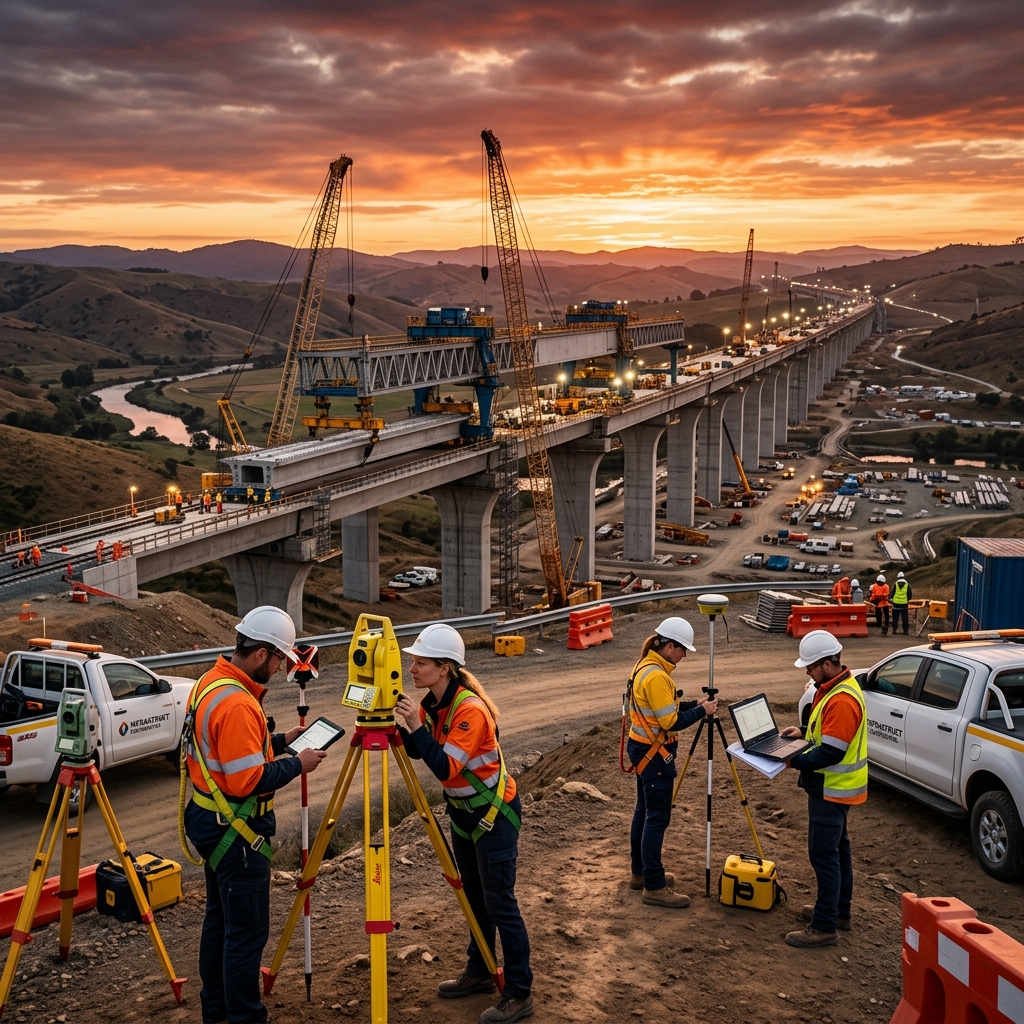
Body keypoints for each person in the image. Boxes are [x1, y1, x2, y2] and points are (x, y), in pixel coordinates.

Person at [183, 606, 328, 1024]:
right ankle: (245, 1017)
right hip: (236, 831)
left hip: (211, 819)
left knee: (220, 921)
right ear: (262, 653)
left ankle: (217, 1011)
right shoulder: (237, 703)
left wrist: (280, 740)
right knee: (245, 934)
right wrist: (298, 764)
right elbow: (248, 780)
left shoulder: (211, 683)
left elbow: (229, 750)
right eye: (280, 659)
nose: (281, 668)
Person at [395, 624, 533, 1024]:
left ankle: (519, 992)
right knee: (474, 897)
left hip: (493, 815)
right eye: (413, 662)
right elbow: (421, 751)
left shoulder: (469, 709)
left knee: (499, 902)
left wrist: (414, 726)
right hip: (462, 814)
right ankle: (481, 970)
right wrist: (398, 727)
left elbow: (445, 767)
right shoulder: (433, 703)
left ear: (445, 668)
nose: (412, 669)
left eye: (420, 663)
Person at [780, 630, 867, 948]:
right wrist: (803, 732)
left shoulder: (841, 698)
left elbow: (831, 751)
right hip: (836, 789)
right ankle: (838, 912)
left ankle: (825, 925)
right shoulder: (834, 688)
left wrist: (793, 760)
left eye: (811, 666)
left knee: (824, 856)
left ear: (828, 664)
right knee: (838, 852)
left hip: (831, 789)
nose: (807, 671)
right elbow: (827, 733)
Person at [625, 617, 717, 909]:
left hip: (643, 749)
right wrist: (703, 711)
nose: (684, 655)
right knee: (657, 818)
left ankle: (641, 873)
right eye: (683, 649)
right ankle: (653, 885)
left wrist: (696, 705)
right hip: (654, 755)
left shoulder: (645, 666)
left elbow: (665, 709)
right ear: (669, 646)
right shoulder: (656, 676)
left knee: (644, 812)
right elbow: (670, 722)